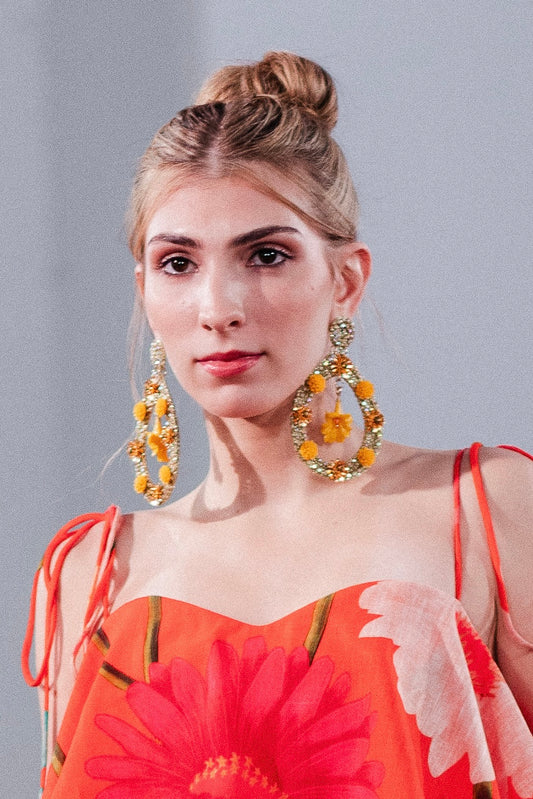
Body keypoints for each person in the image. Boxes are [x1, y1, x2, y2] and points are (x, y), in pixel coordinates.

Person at [23, 51, 533, 798]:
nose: (218, 307)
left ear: (345, 280)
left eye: (265, 255)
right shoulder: (91, 576)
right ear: (144, 292)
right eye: (177, 263)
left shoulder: (488, 509)